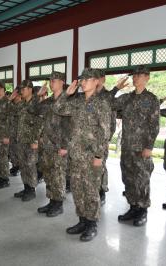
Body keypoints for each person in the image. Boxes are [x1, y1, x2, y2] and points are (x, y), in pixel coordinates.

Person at [54, 68, 111, 242]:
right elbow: (58, 109)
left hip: (91, 156)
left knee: (91, 191)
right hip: (76, 154)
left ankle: (92, 224)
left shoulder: (102, 103)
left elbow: (104, 132)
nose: (83, 82)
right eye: (82, 79)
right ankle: (82, 220)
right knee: (78, 189)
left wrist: (99, 156)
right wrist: (67, 93)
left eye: (87, 79)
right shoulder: (77, 101)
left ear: (96, 82)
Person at [114, 66, 160, 226]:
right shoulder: (127, 98)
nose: (135, 78)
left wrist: (149, 146)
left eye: (139, 75)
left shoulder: (151, 99)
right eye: (134, 75)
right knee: (128, 178)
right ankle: (133, 207)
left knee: (142, 180)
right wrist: (116, 88)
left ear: (147, 77)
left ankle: (142, 210)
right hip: (127, 146)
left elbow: (154, 125)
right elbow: (109, 104)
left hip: (142, 149)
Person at [31, 72, 69, 217]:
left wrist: (65, 146)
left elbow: (69, 125)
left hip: (59, 145)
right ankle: (52, 201)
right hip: (47, 145)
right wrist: (38, 95)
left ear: (61, 82)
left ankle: (58, 204)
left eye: (54, 80)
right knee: (48, 174)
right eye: (50, 81)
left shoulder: (67, 101)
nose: (52, 83)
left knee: (58, 174)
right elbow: (32, 110)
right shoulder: (47, 102)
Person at [96, 70, 129, 205]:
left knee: (101, 166)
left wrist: (105, 138)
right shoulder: (88, 95)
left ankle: (102, 190)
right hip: (87, 139)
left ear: (103, 79)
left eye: (96, 78)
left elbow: (111, 122)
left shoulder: (108, 96)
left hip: (101, 139)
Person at [13, 80, 43, 202]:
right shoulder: (21, 104)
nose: (21, 91)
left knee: (30, 165)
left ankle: (31, 190)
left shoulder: (37, 103)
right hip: (21, 140)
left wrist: (36, 140)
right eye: (20, 89)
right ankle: (26, 187)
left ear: (30, 89)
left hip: (31, 141)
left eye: (23, 89)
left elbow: (40, 123)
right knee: (23, 165)